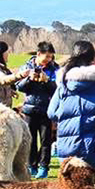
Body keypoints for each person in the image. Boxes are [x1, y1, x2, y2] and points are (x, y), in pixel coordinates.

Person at [47, 40, 95, 189]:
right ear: (92, 58)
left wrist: (68, 116)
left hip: (68, 150)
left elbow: (51, 112)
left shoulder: (63, 81)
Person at [17, 41, 58, 179]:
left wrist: (47, 81)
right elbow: (19, 87)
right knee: (30, 140)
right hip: (29, 109)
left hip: (46, 109)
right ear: (38, 54)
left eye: (51, 57)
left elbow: (57, 90)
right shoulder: (27, 67)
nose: (48, 60)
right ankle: (31, 165)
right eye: (46, 56)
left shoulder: (54, 69)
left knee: (46, 140)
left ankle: (44, 166)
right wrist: (29, 79)